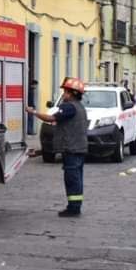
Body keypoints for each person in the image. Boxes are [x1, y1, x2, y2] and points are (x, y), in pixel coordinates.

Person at [27, 77, 88, 218]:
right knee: (77, 177)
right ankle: (75, 206)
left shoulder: (69, 107)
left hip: (72, 149)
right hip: (79, 148)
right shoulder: (80, 107)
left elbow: (51, 118)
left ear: (72, 93)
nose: (64, 94)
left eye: (65, 91)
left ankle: (73, 208)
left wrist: (33, 112)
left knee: (72, 178)